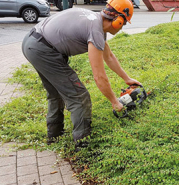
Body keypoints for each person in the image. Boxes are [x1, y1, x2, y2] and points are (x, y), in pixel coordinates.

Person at [22, 0, 141, 150]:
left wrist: (127, 79)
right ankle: (83, 145)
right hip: (44, 50)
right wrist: (115, 102)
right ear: (117, 21)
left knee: (56, 93)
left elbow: (108, 56)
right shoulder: (96, 30)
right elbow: (99, 76)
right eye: (124, 23)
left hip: (33, 42)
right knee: (79, 96)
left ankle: (54, 136)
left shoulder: (95, 21)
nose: (122, 27)